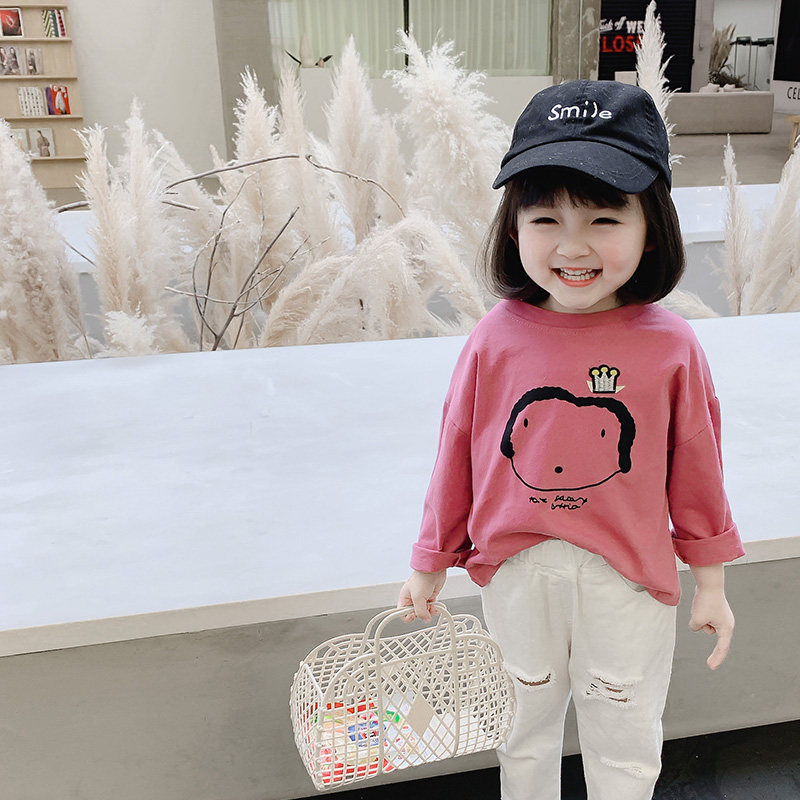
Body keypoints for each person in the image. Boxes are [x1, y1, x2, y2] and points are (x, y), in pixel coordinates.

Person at [397, 80, 745, 800]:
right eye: (546, 218)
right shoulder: (494, 339)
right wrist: (431, 560)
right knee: (520, 727)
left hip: (628, 579)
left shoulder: (671, 346)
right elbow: (457, 453)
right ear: (513, 228)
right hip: (515, 575)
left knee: (625, 730)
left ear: (652, 227)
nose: (573, 245)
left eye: (605, 218)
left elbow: (697, 469)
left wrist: (710, 583)